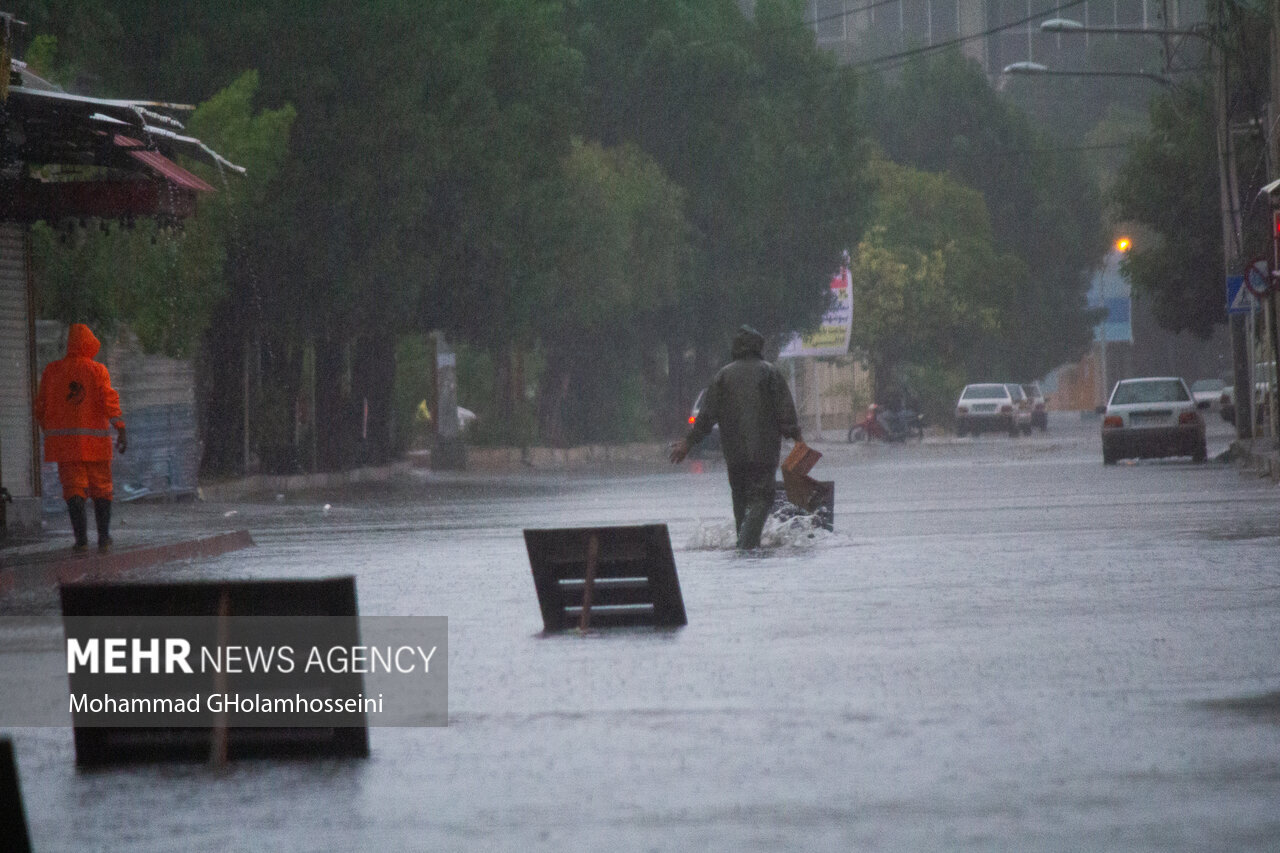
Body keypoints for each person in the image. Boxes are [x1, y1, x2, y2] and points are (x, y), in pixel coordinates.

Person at [669, 325, 802, 549]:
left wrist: (688, 443)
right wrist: (797, 438)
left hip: (735, 453)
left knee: (739, 499)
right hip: (764, 453)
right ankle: (747, 545)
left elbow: (706, 417)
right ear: (758, 347)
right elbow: (786, 411)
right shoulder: (770, 372)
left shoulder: (722, 376)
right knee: (763, 498)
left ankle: (746, 548)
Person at [34, 324, 127, 552]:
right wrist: (120, 427)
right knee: (102, 489)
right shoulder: (97, 371)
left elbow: (41, 407)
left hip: (66, 447)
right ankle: (104, 538)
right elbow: (109, 401)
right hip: (96, 446)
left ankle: (81, 541)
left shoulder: (52, 372)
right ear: (88, 344)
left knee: (74, 489)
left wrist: (52, 430)